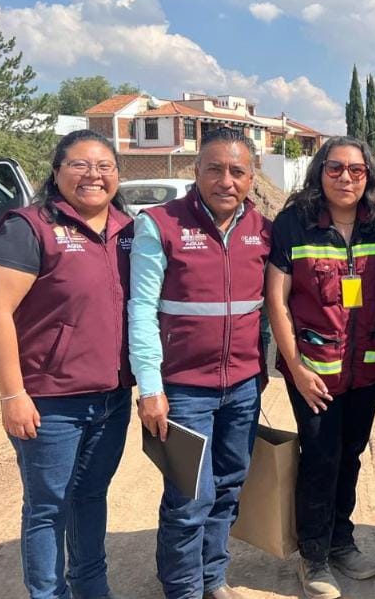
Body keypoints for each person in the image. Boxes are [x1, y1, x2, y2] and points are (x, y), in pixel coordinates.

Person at [0, 129, 134, 599]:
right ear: (56, 171)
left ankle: (92, 588)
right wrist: (12, 393)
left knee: (90, 497)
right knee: (48, 507)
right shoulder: (31, 228)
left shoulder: (128, 230)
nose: (93, 175)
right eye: (80, 165)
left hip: (111, 398)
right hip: (50, 403)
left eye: (104, 166)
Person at [128, 128, 271, 599]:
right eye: (215, 169)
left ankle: (213, 577)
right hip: (184, 390)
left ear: (251, 178)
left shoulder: (261, 230)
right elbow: (141, 310)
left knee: (228, 488)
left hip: (243, 388)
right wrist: (151, 388)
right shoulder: (160, 224)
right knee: (189, 496)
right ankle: (183, 588)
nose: (226, 181)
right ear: (196, 172)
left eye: (237, 171)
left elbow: (267, 309)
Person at [265, 137, 375, 599]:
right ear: (320, 172)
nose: (345, 178)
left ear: (368, 176)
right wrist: (297, 369)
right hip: (314, 372)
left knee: (351, 454)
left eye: (356, 170)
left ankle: (341, 539)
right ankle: (314, 554)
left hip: (367, 368)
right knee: (321, 458)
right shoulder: (295, 224)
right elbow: (276, 301)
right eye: (335, 168)